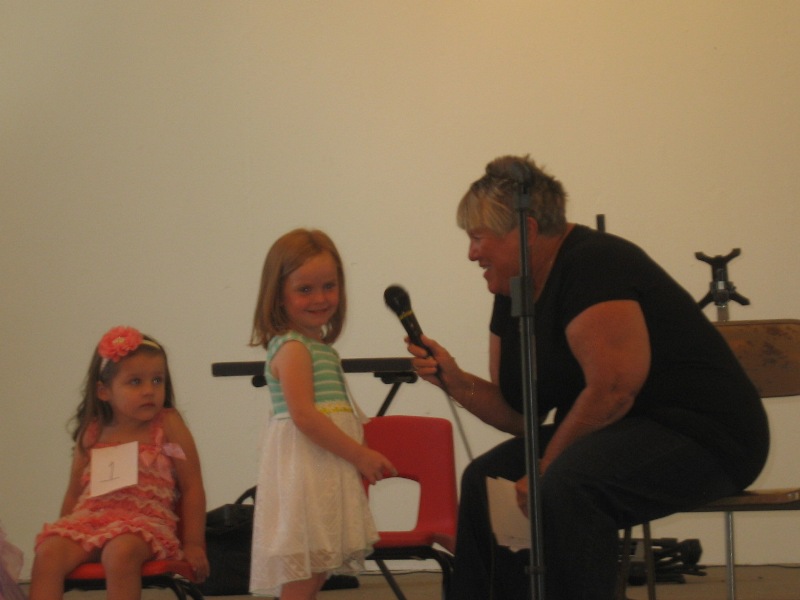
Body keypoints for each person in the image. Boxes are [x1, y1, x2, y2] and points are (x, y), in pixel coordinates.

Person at [406, 155, 770, 600]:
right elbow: (519, 415)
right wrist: (456, 380)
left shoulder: (596, 263)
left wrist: (545, 467)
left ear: (526, 231)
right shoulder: (512, 287)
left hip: (705, 435)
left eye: (478, 238)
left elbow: (614, 390)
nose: (471, 253)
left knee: (567, 485)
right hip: (619, 433)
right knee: (488, 478)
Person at [248, 228, 396, 600]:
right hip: (306, 475)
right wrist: (359, 455)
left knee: (315, 573)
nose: (320, 298)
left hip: (323, 470)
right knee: (305, 573)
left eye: (329, 286)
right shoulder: (294, 348)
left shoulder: (318, 348)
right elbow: (305, 416)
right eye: (305, 289)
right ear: (278, 294)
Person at [29, 326, 209, 600]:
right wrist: (66, 529)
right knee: (48, 552)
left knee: (119, 551)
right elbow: (74, 493)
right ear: (104, 391)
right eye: (135, 382)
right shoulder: (93, 431)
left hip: (145, 525)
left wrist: (194, 543)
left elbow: (192, 486)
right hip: (91, 521)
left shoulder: (168, 424)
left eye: (157, 380)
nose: (149, 391)